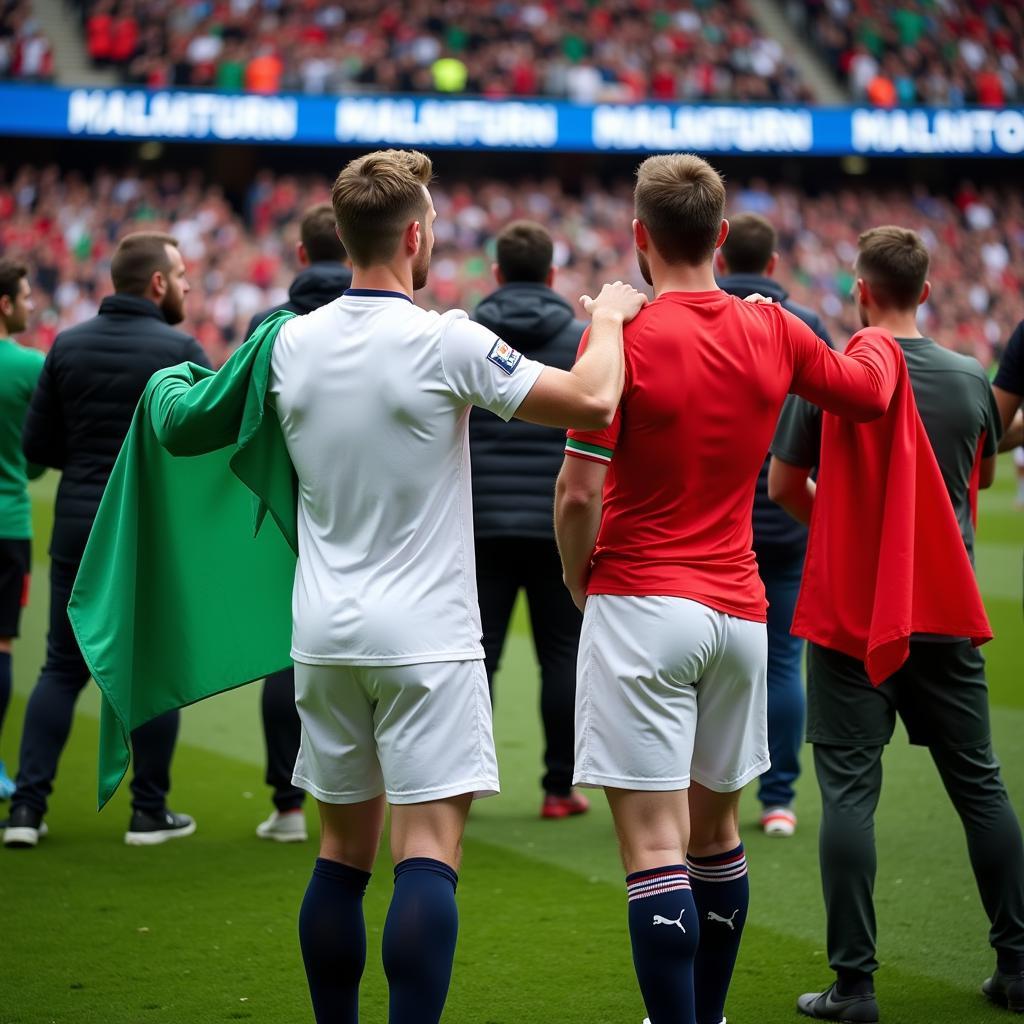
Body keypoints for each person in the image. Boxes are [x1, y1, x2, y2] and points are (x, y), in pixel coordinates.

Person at [270, 148, 644, 1024]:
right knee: (427, 852)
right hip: (425, 637)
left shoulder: (287, 341)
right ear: (414, 235)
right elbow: (593, 402)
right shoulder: (446, 337)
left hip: (321, 632)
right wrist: (616, 316)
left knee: (339, 855)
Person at [553, 153, 901, 1024]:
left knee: (653, 849)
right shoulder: (774, 327)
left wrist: (578, 583)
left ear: (639, 238)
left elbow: (576, 492)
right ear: (719, 237)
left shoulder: (620, 338)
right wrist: (880, 323)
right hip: (740, 613)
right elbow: (867, 391)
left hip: (639, 599)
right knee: (716, 839)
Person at [768, 226, 1024, 1021]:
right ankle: (1017, 966)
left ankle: (856, 985)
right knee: (980, 787)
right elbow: (979, 473)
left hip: (854, 615)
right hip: (944, 606)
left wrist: (846, 535)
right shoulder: (969, 376)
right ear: (926, 289)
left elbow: (783, 485)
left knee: (849, 793)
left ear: (863, 290)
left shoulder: (835, 377)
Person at [3, 232, 210, 850]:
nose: (188, 284)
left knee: (62, 668)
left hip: (78, 524)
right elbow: (201, 445)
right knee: (153, 669)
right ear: (156, 284)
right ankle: (148, 813)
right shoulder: (181, 349)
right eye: (180, 274)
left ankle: (26, 812)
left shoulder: (66, 346)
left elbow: (37, 448)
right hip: (148, 531)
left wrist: (94, 462)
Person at [716, 212, 833, 837]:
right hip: (787, 512)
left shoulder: (694, 312)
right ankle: (779, 799)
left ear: (719, 252)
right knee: (784, 664)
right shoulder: (805, 325)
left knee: (704, 663)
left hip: (711, 517)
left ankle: (699, 797)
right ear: (774, 265)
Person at [469, 219, 589, 820]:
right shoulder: (579, 338)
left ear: (496, 273)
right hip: (554, 522)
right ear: (551, 274)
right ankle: (558, 788)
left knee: (476, 659)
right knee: (562, 657)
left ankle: (459, 782)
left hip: (480, 522)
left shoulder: (462, 336)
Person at [246, 202, 352, 844]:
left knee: (287, 654)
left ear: (303, 256)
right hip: (365, 507)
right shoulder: (383, 317)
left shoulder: (270, 326)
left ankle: (289, 805)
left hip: (287, 509)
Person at [0, 260, 44, 802]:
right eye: (26, 296)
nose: (32, 304)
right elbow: (37, 454)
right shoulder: (29, 366)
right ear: (5, 304)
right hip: (8, 522)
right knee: (3, 644)